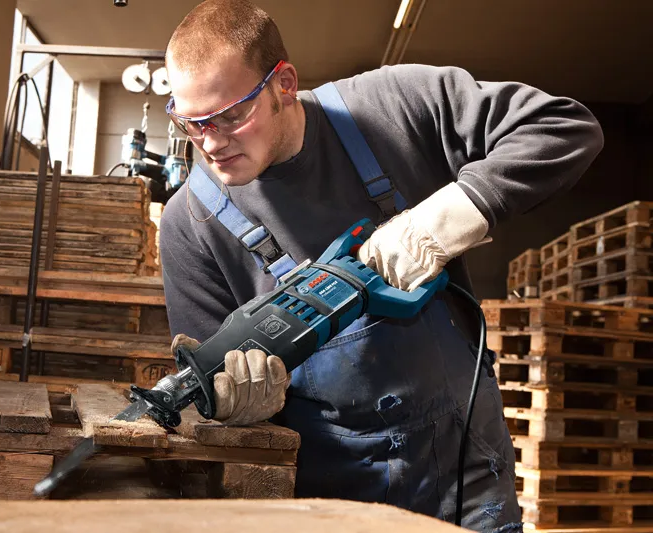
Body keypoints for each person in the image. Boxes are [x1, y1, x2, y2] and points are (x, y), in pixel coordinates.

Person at [158, 1, 604, 531]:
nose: (210, 143)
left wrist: (447, 216)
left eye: (230, 116)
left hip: (466, 468)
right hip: (329, 494)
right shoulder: (190, 223)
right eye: (191, 122)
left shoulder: (393, 104)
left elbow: (565, 126)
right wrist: (240, 405)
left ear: (283, 84)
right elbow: (209, 387)